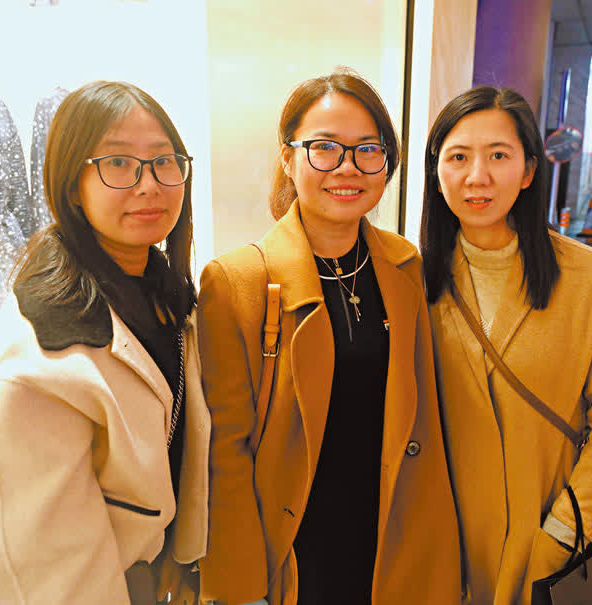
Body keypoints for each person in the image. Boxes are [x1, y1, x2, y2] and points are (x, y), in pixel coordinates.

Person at [196, 69, 461, 605]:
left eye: (368, 149)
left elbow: (425, 423)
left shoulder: (404, 265)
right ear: (288, 157)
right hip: (297, 550)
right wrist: (241, 586)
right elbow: (226, 453)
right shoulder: (238, 282)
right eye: (324, 148)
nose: (347, 167)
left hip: (393, 539)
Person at [0, 81, 207, 604]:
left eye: (163, 161)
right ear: (71, 184)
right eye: (118, 163)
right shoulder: (37, 363)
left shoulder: (163, 295)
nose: (149, 184)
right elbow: (46, 575)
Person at [419, 86, 592, 605]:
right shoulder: (411, 281)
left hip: (548, 542)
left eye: (498, 156)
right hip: (439, 544)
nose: (477, 176)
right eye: (458, 157)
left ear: (528, 170)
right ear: (436, 173)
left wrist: (566, 530)